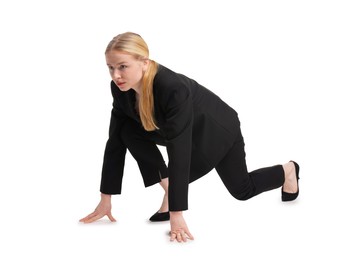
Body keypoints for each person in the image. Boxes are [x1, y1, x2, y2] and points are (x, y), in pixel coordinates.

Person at [79, 32, 300, 242]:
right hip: (172, 130)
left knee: (242, 191)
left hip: (215, 131)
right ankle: (169, 187)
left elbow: (179, 150)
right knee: (125, 131)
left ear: (144, 62)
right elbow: (115, 142)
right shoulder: (119, 88)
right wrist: (105, 199)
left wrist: (177, 213)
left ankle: (288, 170)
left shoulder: (172, 88)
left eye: (123, 67)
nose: (116, 75)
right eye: (110, 67)